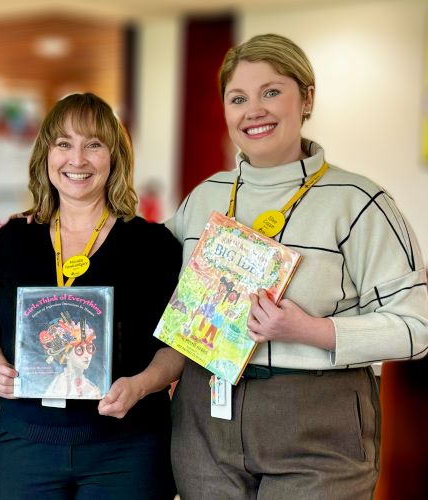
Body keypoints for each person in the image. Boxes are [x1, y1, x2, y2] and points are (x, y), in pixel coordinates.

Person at [167, 33, 428, 499]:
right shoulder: (204, 197)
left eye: (272, 92)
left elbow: (417, 328)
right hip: (205, 419)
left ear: (307, 98)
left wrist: (310, 329)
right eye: (238, 98)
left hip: (319, 425)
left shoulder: (360, 203)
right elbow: (137, 264)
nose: (254, 110)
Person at [0, 92, 183, 499]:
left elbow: (179, 345)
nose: (77, 159)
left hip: (127, 448)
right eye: (64, 144)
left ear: (115, 156)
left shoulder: (152, 245)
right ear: (45, 154)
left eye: (94, 145)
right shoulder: (14, 240)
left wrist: (139, 385)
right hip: (26, 447)